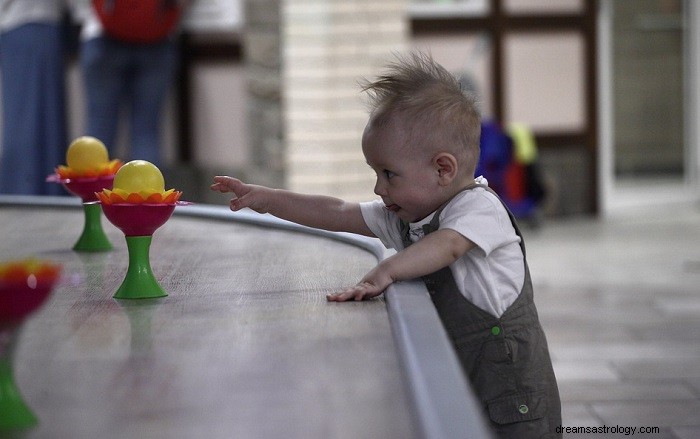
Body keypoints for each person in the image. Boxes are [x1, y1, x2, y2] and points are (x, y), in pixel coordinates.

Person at [210, 52, 561, 438]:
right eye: (376, 173)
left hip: (514, 399)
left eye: (389, 174)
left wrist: (386, 270)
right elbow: (339, 211)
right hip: (463, 385)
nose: (380, 188)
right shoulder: (408, 216)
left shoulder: (478, 209)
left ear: (443, 169)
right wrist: (268, 199)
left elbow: (448, 246)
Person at [73, 0, 188, 167]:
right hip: (157, 40)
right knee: (146, 132)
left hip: (101, 36)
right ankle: (146, 191)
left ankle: (92, 192)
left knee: (99, 130)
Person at [0, 0, 69, 195]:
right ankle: (42, 190)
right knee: (43, 117)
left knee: (23, 117)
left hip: (17, 25)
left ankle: (22, 190)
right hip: (41, 25)